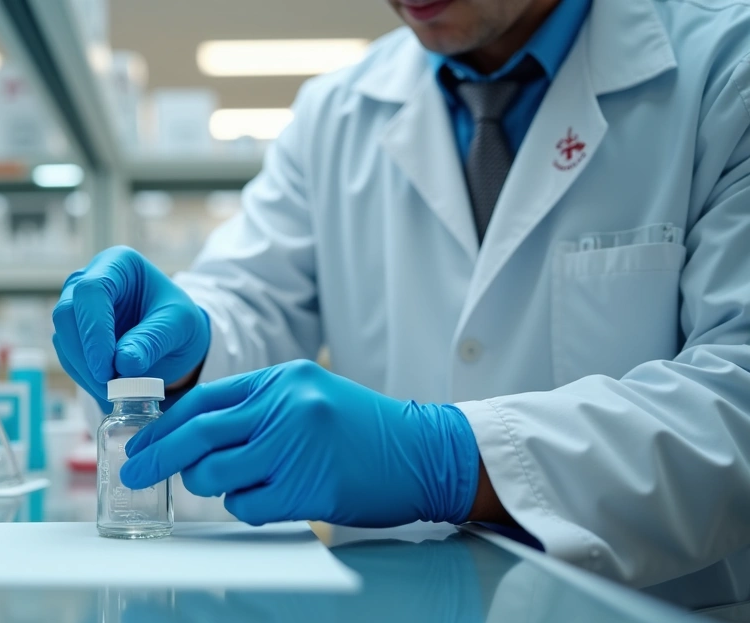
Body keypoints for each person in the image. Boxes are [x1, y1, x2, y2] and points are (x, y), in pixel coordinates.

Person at [52, 0, 750, 591]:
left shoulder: (725, 66)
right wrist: (188, 349)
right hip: (393, 614)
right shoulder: (335, 113)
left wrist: (454, 457)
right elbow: (251, 298)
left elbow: (735, 400)